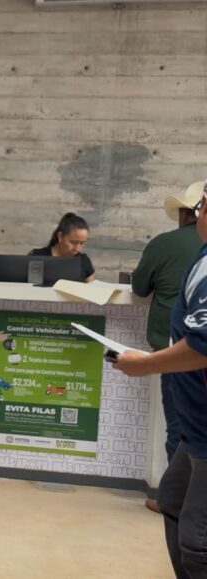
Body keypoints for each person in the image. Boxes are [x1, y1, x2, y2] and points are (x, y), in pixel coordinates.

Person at [115, 181, 207, 579]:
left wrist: (146, 364)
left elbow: (204, 343)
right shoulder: (200, 253)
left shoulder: (176, 249)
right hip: (196, 425)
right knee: (173, 499)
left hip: (200, 419)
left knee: (197, 544)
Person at [131, 181, 205, 513]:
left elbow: (139, 287)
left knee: (180, 425)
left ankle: (178, 502)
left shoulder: (163, 244)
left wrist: (143, 364)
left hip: (174, 352)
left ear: (185, 214)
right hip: (192, 351)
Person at [29, 213, 96, 282]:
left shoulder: (83, 261)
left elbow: (91, 286)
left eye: (82, 243)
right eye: (73, 242)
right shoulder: (37, 257)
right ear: (60, 236)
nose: (77, 248)